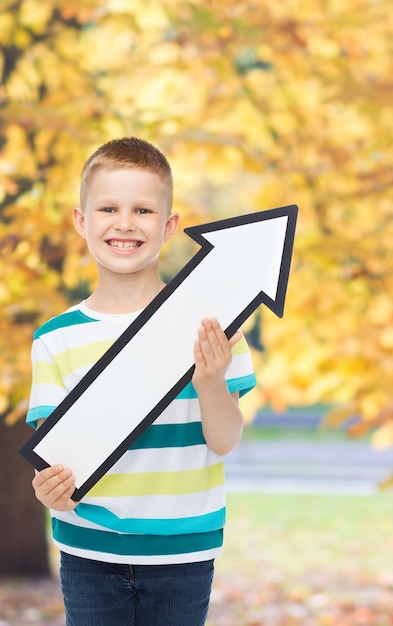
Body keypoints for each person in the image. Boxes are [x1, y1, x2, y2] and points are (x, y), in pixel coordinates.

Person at [26, 137, 255, 626]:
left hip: (182, 552)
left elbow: (225, 440)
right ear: (81, 222)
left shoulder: (213, 326)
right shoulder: (55, 339)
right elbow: (55, 462)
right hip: (87, 550)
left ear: (168, 226)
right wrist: (51, 489)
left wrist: (211, 381)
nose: (125, 223)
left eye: (143, 210)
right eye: (108, 208)